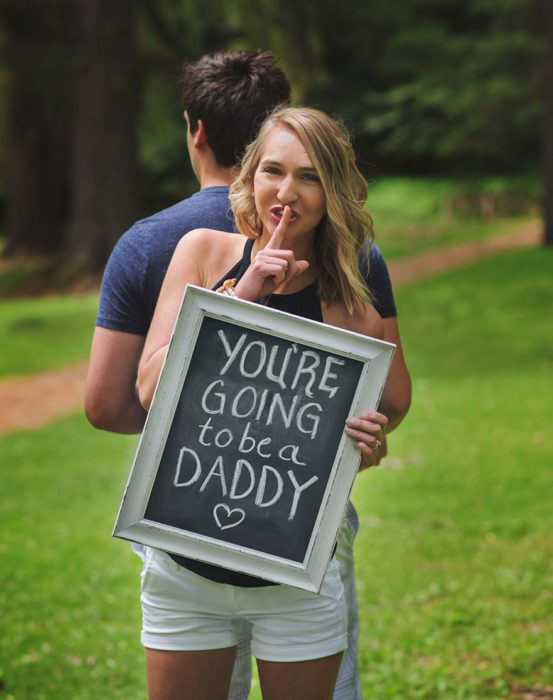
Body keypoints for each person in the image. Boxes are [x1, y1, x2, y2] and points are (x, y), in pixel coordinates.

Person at [85, 51, 411, 699]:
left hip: (294, 569)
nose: (286, 194)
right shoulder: (202, 253)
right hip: (185, 563)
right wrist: (243, 293)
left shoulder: (353, 310)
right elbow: (150, 388)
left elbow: (353, 442)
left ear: (334, 192)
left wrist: (369, 449)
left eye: (309, 178)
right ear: (251, 175)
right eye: (273, 171)